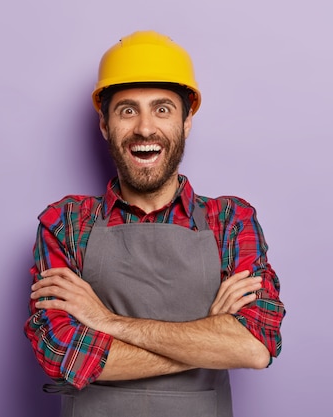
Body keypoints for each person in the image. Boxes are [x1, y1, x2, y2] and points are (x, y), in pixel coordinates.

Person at [24, 30, 285, 417]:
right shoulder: (65, 223)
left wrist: (107, 322)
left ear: (186, 122)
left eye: (162, 109)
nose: (145, 128)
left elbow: (255, 347)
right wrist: (211, 337)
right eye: (127, 110)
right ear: (104, 125)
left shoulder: (230, 220)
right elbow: (66, 356)